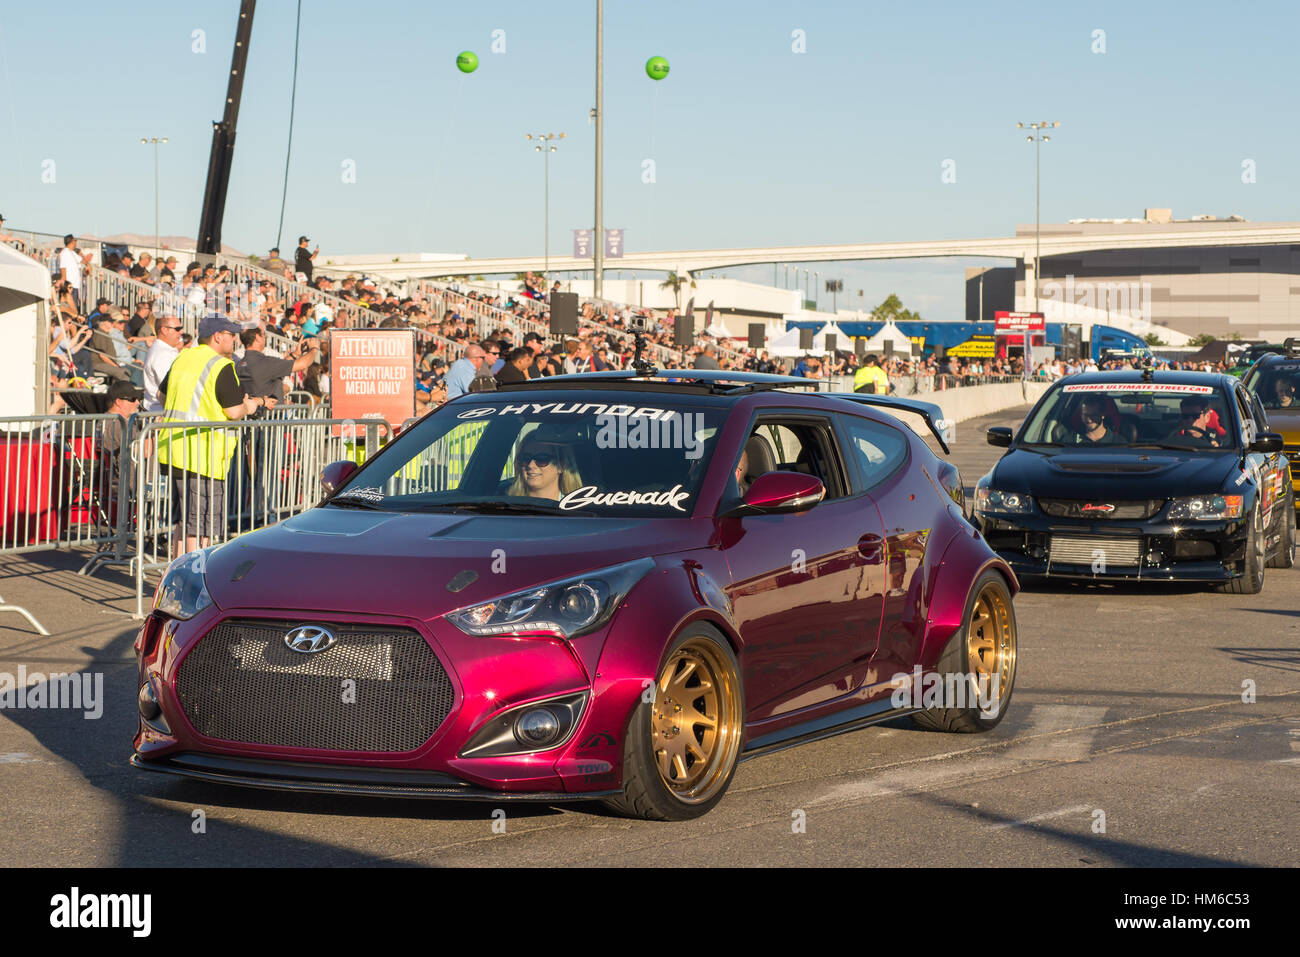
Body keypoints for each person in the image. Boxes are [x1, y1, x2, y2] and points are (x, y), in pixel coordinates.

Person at [156, 315, 263, 556]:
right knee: (202, 523)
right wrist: (252, 405)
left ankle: (179, 572)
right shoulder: (220, 365)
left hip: (176, 448)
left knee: (186, 520)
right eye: (231, 335)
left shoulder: (183, 358)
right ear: (218, 336)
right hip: (204, 454)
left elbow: (161, 396)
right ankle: (195, 575)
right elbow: (234, 411)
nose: (234, 339)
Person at [506, 428, 583, 501]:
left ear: (561, 465)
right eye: (525, 458)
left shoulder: (576, 510)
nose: (530, 465)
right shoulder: (506, 507)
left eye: (541, 458)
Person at [143, 314, 184, 411]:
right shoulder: (162, 353)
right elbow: (170, 388)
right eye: (177, 329)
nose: (181, 332)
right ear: (164, 330)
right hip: (162, 413)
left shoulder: (164, 350)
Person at [58, 234, 83, 311]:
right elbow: (63, 268)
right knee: (71, 308)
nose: (76, 242)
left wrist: (88, 265)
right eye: (75, 241)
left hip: (74, 286)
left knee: (74, 307)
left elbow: (82, 260)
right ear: (72, 241)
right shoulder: (64, 253)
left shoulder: (72, 252)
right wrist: (66, 286)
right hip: (70, 286)